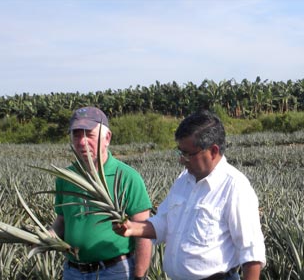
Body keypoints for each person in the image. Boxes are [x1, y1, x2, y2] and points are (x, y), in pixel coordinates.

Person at [113, 110, 266, 280]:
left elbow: (251, 253)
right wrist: (131, 228)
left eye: (188, 154)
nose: (181, 160)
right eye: (180, 152)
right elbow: (164, 221)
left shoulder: (235, 187)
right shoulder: (183, 180)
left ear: (213, 151)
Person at [50, 106, 152, 280]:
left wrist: (139, 276)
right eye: (76, 134)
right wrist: (44, 236)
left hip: (114, 271)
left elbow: (143, 233)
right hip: (73, 271)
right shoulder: (65, 177)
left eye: (89, 134)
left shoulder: (127, 177)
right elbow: (62, 221)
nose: (82, 142)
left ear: (107, 138)